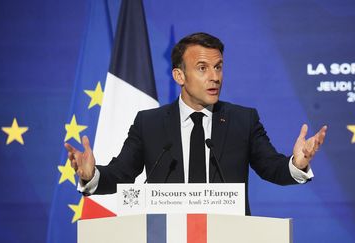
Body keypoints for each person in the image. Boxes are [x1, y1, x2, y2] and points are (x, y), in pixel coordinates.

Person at [65, 32, 327, 214]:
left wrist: (297, 164)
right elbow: (121, 174)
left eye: (219, 67)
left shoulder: (242, 120)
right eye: (202, 68)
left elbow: (272, 168)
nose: (214, 77)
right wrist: (91, 175)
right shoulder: (150, 123)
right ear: (179, 75)